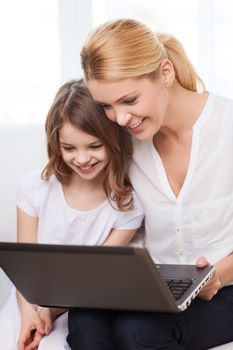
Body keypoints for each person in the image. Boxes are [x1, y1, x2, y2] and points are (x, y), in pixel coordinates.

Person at [66, 19, 233, 350]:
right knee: (84, 318)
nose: (120, 118)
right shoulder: (126, 143)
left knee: (137, 330)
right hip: (151, 287)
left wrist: (220, 274)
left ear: (165, 73)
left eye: (129, 100)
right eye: (107, 106)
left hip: (224, 289)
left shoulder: (227, 127)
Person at [0, 79, 144, 350]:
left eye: (94, 146)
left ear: (113, 141)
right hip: (26, 301)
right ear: (56, 144)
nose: (82, 158)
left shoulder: (127, 206)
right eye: (69, 148)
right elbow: (23, 270)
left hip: (75, 307)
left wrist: (49, 312)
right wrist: (30, 312)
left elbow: (91, 282)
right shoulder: (35, 189)